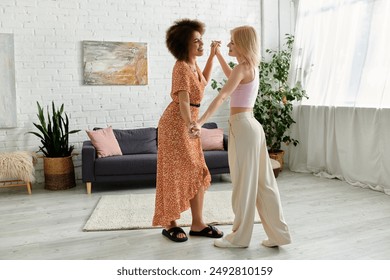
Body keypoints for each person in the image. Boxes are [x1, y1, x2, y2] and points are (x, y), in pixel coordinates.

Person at [193, 26, 291, 248]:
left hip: (242, 128)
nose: (228, 45)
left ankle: (239, 238)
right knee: (264, 184)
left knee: (243, 185)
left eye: (232, 42)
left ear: (243, 45)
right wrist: (218, 55)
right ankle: (279, 235)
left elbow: (223, 95)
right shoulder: (249, 67)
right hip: (253, 127)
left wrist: (200, 122)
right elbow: (232, 78)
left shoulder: (242, 69)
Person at [152, 19, 223, 242]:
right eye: (197, 41)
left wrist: (211, 55)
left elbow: (203, 82)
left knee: (197, 171)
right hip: (176, 124)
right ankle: (170, 222)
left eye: (201, 39)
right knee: (173, 173)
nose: (201, 43)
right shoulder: (181, 67)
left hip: (189, 123)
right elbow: (183, 102)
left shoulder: (192, 65)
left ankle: (198, 224)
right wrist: (190, 124)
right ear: (185, 45)